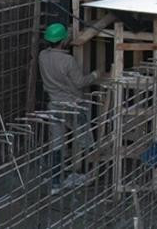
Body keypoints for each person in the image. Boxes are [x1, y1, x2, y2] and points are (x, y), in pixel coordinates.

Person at [38, 22, 97, 193]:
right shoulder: (68, 60)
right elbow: (80, 82)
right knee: (86, 139)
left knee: (57, 143)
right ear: (63, 41)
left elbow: (59, 45)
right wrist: (95, 75)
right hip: (73, 105)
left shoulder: (43, 56)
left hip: (54, 105)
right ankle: (89, 173)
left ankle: (56, 181)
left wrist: (69, 31)